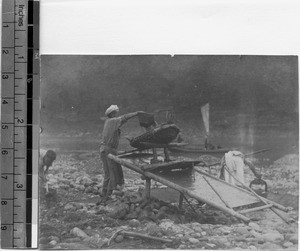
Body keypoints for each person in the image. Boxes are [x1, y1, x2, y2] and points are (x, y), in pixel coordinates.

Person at [98, 105, 142, 204]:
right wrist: (136, 113)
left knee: (107, 173)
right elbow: (125, 117)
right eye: (115, 113)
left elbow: (121, 121)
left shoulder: (108, 122)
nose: (116, 114)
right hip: (109, 149)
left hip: (103, 149)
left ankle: (104, 192)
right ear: (112, 114)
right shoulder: (113, 121)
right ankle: (107, 195)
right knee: (112, 172)